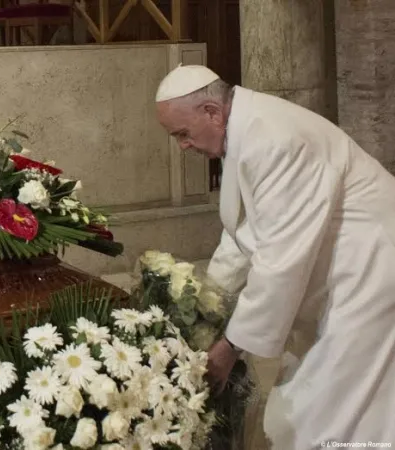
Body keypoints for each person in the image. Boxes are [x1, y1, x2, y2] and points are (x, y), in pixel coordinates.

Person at [155, 64, 395, 449]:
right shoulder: (247, 129)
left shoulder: (274, 137)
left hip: (370, 267)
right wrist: (206, 302)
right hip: (348, 269)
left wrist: (231, 344)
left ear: (212, 113)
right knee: (346, 397)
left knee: (329, 405)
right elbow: (245, 234)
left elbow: (281, 258)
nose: (182, 145)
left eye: (182, 134)